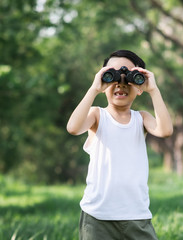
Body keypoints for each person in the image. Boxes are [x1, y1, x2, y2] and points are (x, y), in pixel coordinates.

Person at [66, 49, 173, 240]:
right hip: (98, 215)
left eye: (129, 78)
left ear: (139, 86)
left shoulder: (142, 118)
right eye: (113, 76)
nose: (121, 84)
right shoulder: (97, 115)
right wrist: (94, 89)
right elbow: (73, 128)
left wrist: (154, 90)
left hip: (136, 214)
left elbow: (165, 130)